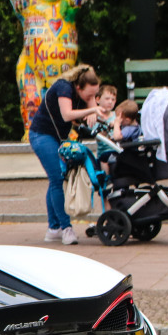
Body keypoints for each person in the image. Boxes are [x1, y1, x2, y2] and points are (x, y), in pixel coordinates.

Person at [28, 63, 105, 245]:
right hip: (42, 134)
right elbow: (67, 115)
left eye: (95, 95)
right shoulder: (64, 87)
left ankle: (53, 228)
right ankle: (66, 228)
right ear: (78, 87)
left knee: (55, 180)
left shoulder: (86, 94)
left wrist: (95, 114)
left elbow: (94, 114)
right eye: (89, 95)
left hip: (59, 137)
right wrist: (92, 110)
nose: (92, 98)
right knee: (58, 178)